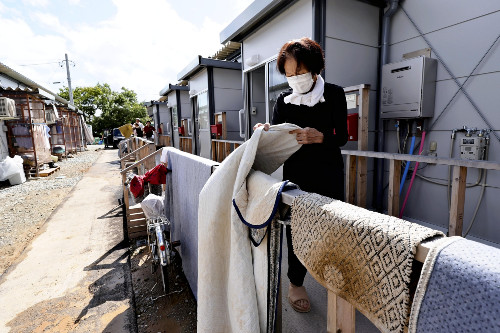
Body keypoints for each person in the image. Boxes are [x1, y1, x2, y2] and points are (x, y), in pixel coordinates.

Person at [254, 37, 348, 313]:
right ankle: (296, 282)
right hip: (297, 176)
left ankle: (331, 277)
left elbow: (342, 137)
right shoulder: (283, 99)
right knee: (298, 230)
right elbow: (276, 135)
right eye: (289, 74)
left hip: (329, 173)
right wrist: (265, 131)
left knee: (330, 229)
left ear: (315, 68)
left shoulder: (334, 93)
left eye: (300, 72)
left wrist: (321, 137)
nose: (294, 79)